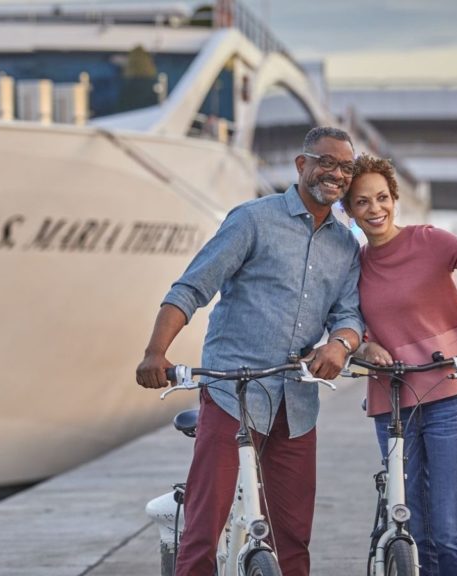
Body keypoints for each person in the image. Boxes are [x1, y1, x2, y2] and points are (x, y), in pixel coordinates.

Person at [135, 126, 364, 576]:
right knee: (203, 530)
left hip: (297, 402)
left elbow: (350, 315)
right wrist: (155, 351)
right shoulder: (252, 219)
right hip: (231, 395)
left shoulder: (345, 245)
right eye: (326, 162)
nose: (336, 173)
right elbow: (192, 287)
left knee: (294, 538)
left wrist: (340, 344)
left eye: (346, 167)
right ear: (302, 165)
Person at [342, 154, 457, 576]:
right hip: (392, 403)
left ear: (395, 198)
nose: (375, 209)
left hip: (448, 397)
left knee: (446, 529)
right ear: (348, 209)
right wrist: (364, 349)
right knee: (412, 527)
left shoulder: (427, 240)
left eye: (382, 198)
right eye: (362, 202)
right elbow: (344, 324)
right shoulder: (352, 265)